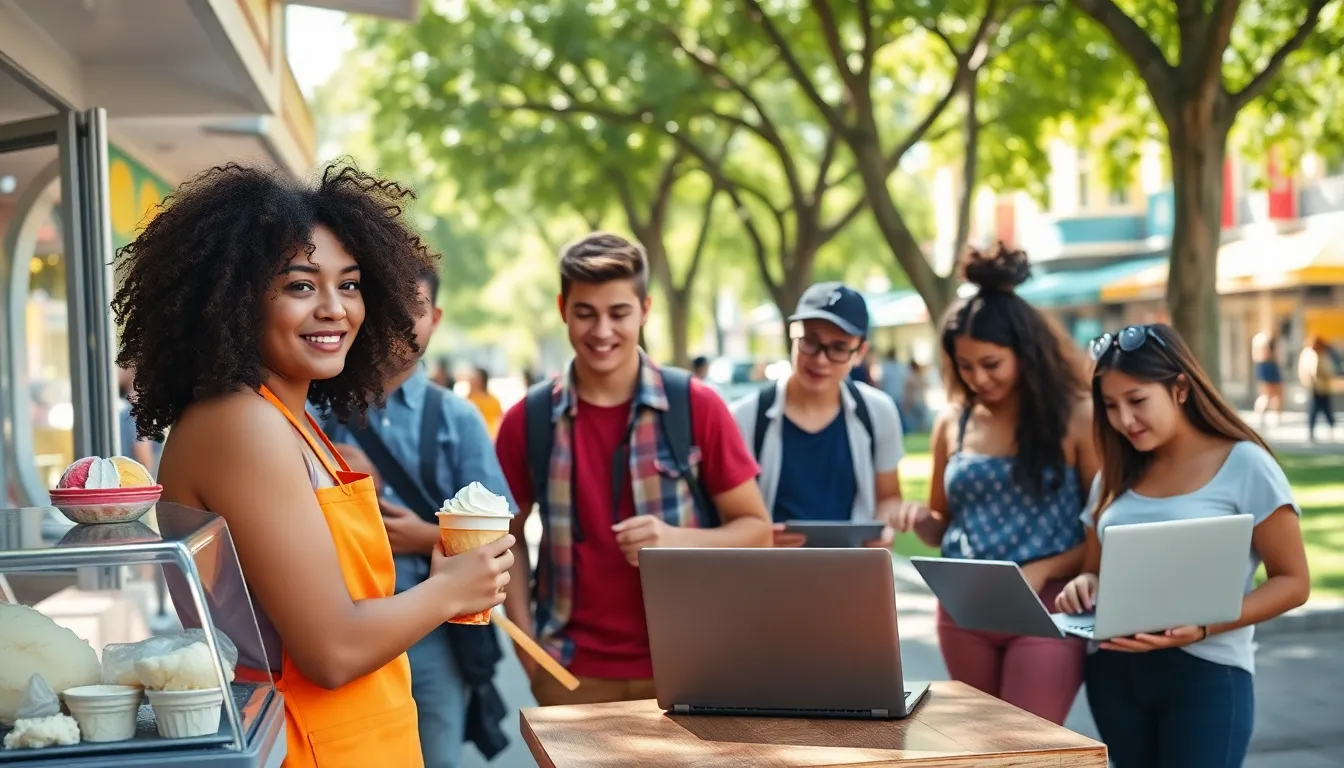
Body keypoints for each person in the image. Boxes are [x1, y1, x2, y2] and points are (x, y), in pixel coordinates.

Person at [112, 162, 514, 768]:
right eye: (301, 286)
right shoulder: (241, 422)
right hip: (306, 742)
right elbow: (330, 651)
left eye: (349, 285)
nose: (334, 308)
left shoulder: (281, 415)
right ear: (235, 299)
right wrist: (448, 592)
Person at [494, 232, 772, 707]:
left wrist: (675, 539)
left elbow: (758, 531)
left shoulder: (696, 406)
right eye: (586, 313)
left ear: (645, 309)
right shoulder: (528, 420)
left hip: (693, 666)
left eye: (619, 313)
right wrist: (529, 651)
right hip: (568, 674)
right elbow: (506, 538)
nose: (602, 331)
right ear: (563, 308)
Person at [1058, 323, 1310, 768]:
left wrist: (1205, 625)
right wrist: (1084, 583)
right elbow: (1095, 569)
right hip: (1113, 674)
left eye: (1137, 401)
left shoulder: (1245, 464)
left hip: (1207, 673)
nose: (1124, 420)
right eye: (1111, 406)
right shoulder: (1114, 474)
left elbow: (1293, 582)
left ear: (1180, 388)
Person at [891, 244, 1098, 725]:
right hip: (964, 610)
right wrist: (921, 519)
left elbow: (1102, 529)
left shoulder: (1076, 417)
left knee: (1027, 747)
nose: (977, 378)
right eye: (964, 366)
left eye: (990, 364)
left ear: (1024, 354)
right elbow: (942, 526)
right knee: (981, 747)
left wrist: (1044, 570)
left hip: (1048, 606)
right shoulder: (953, 423)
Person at [323, 268, 511, 768]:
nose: (401, 321)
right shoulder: (316, 409)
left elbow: (498, 537)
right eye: (389, 304)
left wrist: (419, 538)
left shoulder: (459, 418)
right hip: (339, 625)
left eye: (417, 307)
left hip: (435, 635)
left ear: (437, 318)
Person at [730, 283, 905, 547]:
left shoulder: (878, 412)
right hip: (769, 576)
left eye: (838, 347)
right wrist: (761, 540)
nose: (821, 360)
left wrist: (884, 528)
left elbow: (889, 496)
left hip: (852, 574)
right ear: (793, 336)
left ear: (860, 353)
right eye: (811, 342)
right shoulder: (746, 418)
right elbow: (730, 515)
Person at [1299, 335, 1336, 443]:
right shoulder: (1311, 354)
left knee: (1324, 409)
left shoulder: (1318, 354)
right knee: (1316, 410)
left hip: (1321, 387)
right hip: (1316, 387)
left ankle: (1328, 428)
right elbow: (1313, 371)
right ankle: (1314, 431)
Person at [1251, 332, 1284, 428]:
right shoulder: (1265, 340)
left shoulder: (1258, 340)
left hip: (1264, 367)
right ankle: (1269, 416)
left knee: (1268, 394)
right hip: (1269, 366)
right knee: (1270, 394)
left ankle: (1265, 415)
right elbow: (1271, 355)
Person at [464, 366, 504, 439]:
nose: (471, 381)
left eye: (475, 379)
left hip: (491, 436)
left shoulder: (493, 400)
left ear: (482, 381)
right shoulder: (467, 400)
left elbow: (501, 418)